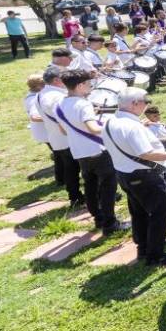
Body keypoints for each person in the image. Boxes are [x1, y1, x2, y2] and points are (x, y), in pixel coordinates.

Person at [102, 88, 166, 265]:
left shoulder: (110, 121)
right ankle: (156, 255)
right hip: (144, 176)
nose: (147, 106)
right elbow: (146, 153)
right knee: (160, 213)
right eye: (145, 102)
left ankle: (143, 249)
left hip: (124, 174)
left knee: (138, 213)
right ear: (134, 104)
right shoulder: (131, 126)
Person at [57, 69, 125, 234]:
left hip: (80, 152)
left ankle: (99, 219)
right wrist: (112, 128)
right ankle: (110, 224)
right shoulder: (83, 104)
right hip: (98, 150)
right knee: (108, 188)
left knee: (90, 186)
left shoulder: (59, 105)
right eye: (88, 84)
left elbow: (64, 131)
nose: (90, 87)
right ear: (80, 85)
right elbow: (93, 128)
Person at [37, 67, 84, 208]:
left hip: (58, 138)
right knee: (76, 170)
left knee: (71, 170)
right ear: (57, 80)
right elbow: (66, 115)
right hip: (67, 138)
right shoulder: (55, 96)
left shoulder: (43, 93)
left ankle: (75, 197)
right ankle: (78, 197)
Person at [25, 74, 52, 173]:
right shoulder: (33, 99)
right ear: (38, 86)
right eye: (44, 84)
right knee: (61, 153)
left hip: (46, 131)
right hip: (46, 131)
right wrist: (55, 118)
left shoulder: (35, 94)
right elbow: (35, 117)